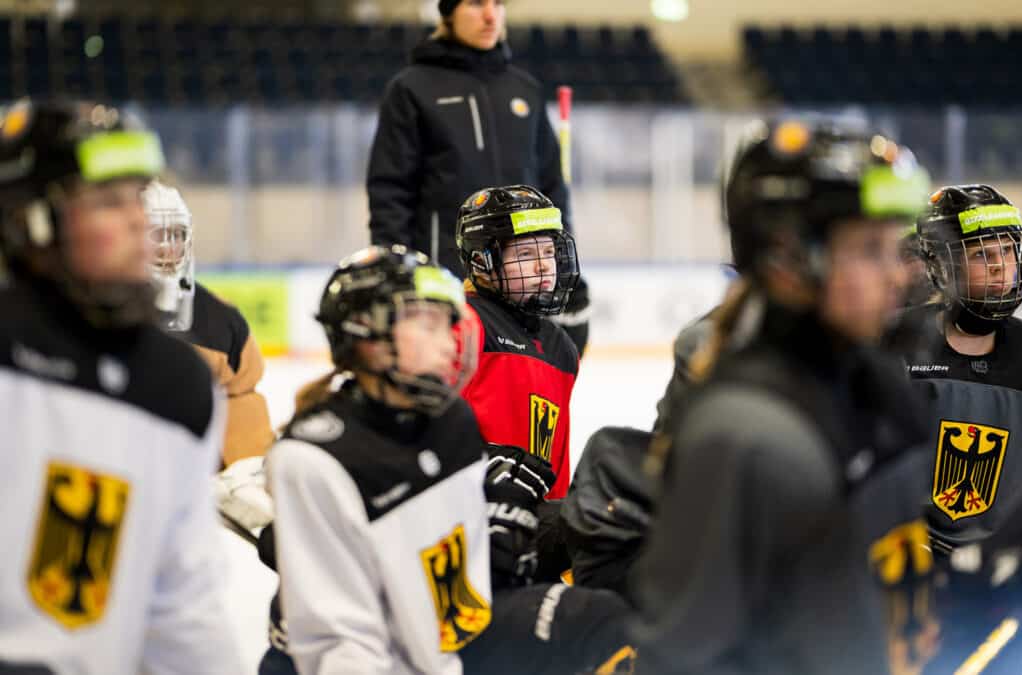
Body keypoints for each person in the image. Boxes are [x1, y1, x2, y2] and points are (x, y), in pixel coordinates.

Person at [631, 120, 935, 674]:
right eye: (870, 250)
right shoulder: (740, 436)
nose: (896, 275)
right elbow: (681, 657)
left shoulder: (877, 388)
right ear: (787, 258)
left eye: (897, 248)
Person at [258, 246, 633, 675]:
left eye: (448, 324)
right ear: (366, 331)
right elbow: (343, 643)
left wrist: (493, 527)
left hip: (441, 639)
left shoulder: (451, 422)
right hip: (365, 659)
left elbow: (451, 587)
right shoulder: (313, 455)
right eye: (426, 323)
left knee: (598, 617)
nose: (447, 343)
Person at [0, 100, 241, 674]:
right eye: (107, 203)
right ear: (32, 219)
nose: (140, 220)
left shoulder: (179, 386)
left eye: (140, 196)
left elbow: (181, 606)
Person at [898, 184, 1022, 671]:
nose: (1001, 267)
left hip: (1001, 607)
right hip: (900, 603)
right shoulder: (895, 347)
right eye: (982, 254)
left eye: (1007, 251)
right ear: (941, 263)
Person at [366, 0, 589, 355]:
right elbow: (390, 191)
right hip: (446, 278)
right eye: (475, 3)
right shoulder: (411, 88)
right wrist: (397, 270)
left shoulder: (524, 89)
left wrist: (561, 263)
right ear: (447, 13)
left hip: (520, 278)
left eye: (498, 3)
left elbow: (551, 187)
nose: (490, 15)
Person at [140, 180, 276, 541]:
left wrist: (245, 472)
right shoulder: (81, 311)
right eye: (158, 235)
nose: (169, 248)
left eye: (177, 235)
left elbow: (241, 400)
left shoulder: (219, 322)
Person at [455, 184, 580, 499]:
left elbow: (557, 454)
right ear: (482, 260)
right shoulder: (463, 323)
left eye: (549, 251)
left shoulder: (560, 347)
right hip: (472, 510)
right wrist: (478, 462)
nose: (543, 266)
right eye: (525, 254)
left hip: (533, 525)